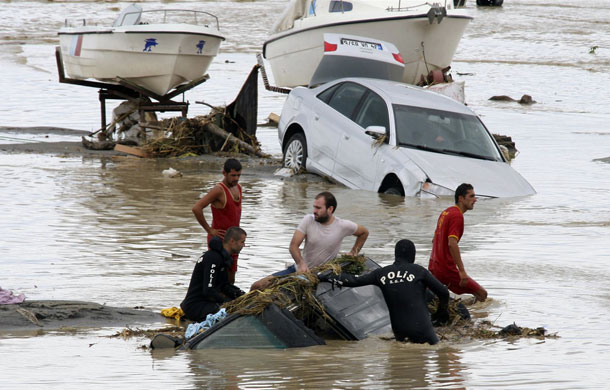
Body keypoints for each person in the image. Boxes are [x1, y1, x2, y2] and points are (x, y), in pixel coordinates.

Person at [320, 239, 449, 344]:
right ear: (413, 256)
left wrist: (325, 277)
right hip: (422, 329)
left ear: (396, 255)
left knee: (400, 367)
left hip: (399, 331)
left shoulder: (381, 274)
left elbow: (353, 281)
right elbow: (443, 292)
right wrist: (441, 312)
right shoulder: (419, 271)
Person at [250, 191, 369, 290]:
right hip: (299, 270)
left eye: (318, 208)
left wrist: (354, 253)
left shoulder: (343, 226)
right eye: (314, 207)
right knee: (257, 286)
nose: (314, 211)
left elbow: (364, 233)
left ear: (330, 209)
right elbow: (293, 246)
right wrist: (301, 263)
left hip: (322, 276)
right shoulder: (308, 220)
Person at [428, 183, 488, 302]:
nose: (475, 199)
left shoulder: (445, 212)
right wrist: (461, 271)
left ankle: (461, 310)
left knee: (436, 298)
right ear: (461, 198)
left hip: (434, 266)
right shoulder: (457, 215)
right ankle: (473, 316)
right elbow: (452, 243)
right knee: (482, 294)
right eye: (471, 196)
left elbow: (434, 239)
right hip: (446, 269)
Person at [180, 226, 247, 322]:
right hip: (195, 306)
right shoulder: (213, 258)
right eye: (242, 242)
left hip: (205, 303)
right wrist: (229, 303)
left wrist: (242, 296)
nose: (243, 245)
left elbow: (224, 286)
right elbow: (208, 291)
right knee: (233, 313)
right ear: (232, 241)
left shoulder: (223, 258)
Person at [192, 158, 242, 284]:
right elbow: (196, 208)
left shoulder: (238, 188)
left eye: (238, 175)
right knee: (217, 278)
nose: (236, 178)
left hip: (234, 241)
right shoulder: (219, 190)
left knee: (231, 277)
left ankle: (230, 303)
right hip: (219, 241)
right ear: (224, 173)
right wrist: (209, 230)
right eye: (233, 175)